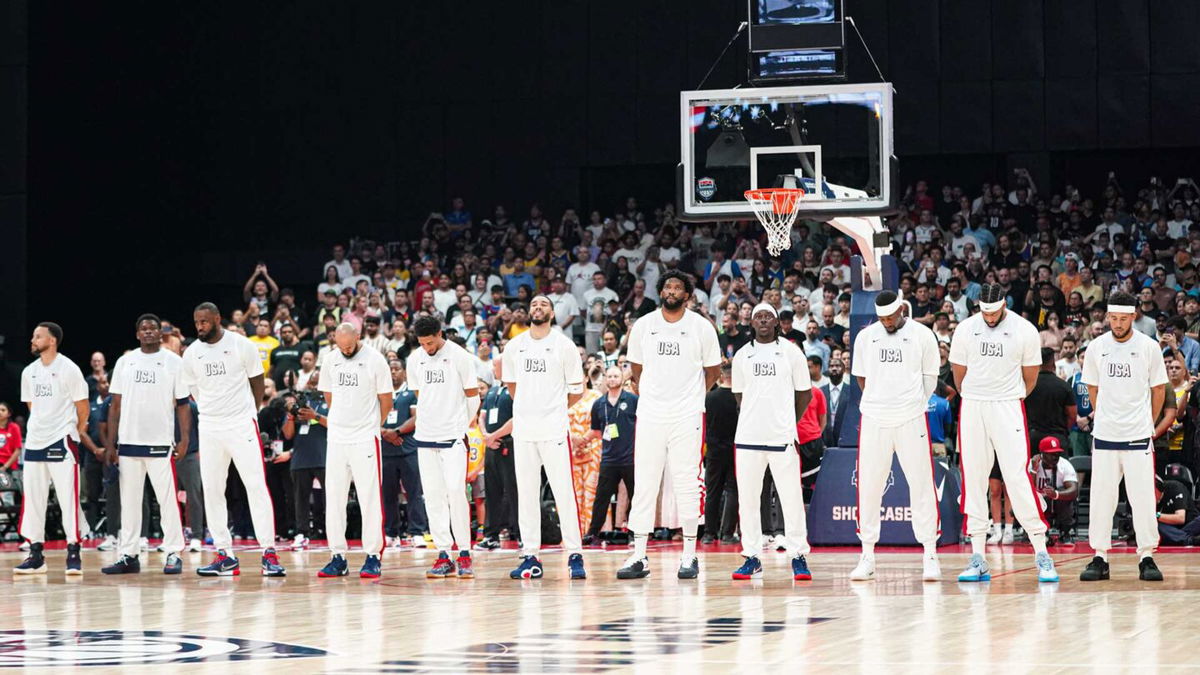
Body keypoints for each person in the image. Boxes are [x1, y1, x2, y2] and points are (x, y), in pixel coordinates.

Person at [950, 283, 1058, 583]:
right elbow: (959, 374)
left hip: (1008, 405)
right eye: (984, 312)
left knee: (1018, 477)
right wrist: (976, 395)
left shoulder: (1024, 329)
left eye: (994, 312)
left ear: (1004, 305)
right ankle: (977, 557)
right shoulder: (965, 329)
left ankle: (1041, 552)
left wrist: (1006, 396)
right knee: (973, 478)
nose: (989, 317)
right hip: (973, 406)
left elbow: (1031, 378)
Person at [617, 271, 721, 581]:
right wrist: (651, 393)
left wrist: (691, 398)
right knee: (645, 483)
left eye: (678, 287)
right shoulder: (644, 326)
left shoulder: (701, 327)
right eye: (667, 286)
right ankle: (638, 555)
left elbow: (713, 371)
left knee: (688, 483)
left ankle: (689, 554)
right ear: (661, 291)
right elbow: (636, 368)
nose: (672, 291)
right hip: (651, 414)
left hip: (687, 414)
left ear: (687, 294)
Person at [180, 303, 285, 577]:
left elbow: (257, 380)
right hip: (211, 426)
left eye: (204, 321)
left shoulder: (241, 345)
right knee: (213, 490)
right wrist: (212, 409)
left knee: (256, 487)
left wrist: (252, 410)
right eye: (196, 322)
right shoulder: (191, 353)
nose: (200, 327)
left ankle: (269, 552)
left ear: (217, 319)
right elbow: (193, 389)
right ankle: (224, 555)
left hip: (241, 424)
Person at [848, 292, 943, 582]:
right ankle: (867, 555)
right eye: (882, 318)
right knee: (869, 486)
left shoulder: (923, 335)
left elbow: (931, 378)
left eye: (891, 317)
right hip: (875, 418)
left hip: (911, 417)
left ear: (902, 309)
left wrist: (911, 403)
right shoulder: (866, 337)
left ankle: (930, 554)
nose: (887, 322)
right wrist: (881, 401)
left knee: (922, 485)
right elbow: (862, 378)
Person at [1079, 291, 1167, 582]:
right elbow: (1092, 387)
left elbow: (1158, 390)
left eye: (1122, 318)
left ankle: (1147, 557)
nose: (1117, 324)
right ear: (1108, 317)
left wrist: (1148, 423)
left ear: (1133, 316)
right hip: (1105, 434)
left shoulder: (1149, 347)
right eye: (1112, 318)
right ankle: (1099, 557)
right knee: (1101, 498)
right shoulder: (1096, 347)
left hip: (1138, 436)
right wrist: (1105, 415)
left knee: (1142, 499)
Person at [501, 294, 587, 580]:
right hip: (524, 431)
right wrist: (529, 410)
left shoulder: (564, 346)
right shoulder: (515, 346)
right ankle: (530, 556)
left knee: (564, 493)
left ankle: (575, 554)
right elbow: (512, 387)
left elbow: (577, 391)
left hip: (553, 430)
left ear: (552, 313)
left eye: (544, 305)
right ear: (528, 311)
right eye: (534, 304)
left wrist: (553, 409)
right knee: (526, 496)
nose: (538, 308)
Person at [100, 314, 191, 575]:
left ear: (161, 334)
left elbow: (183, 404)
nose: (149, 331)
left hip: (161, 443)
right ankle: (129, 555)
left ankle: (173, 551)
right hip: (128, 443)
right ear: (137, 333)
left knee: (167, 501)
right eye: (144, 328)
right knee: (129, 502)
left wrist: (184, 439)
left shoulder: (174, 362)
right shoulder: (124, 362)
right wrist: (111, 444)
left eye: (153, 328)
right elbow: (115, 405)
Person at [729, 304, 814, 581]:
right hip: (748, 438)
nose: (763, 320)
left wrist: (787, 421)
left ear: (777, 322)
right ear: (751, 323)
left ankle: (798, 554)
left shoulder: (791, 352)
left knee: (791, 499)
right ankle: (752, 556)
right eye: (758, 317)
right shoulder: (742, 355)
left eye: (769, 316)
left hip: (782, 438)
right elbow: (739, 396)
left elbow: (804, 394)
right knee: (749, 501)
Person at [315, 323, 393, 579]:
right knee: (334, 498)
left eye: (349, 345)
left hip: (364, 438)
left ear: (358, 337)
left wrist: (372, 426)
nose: (345, 350)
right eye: (341, 345)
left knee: (369, 498)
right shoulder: (329, 360)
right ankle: (338, 556)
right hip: (337, 437)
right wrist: (340, 421)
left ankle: (373, 556)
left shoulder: (375, 360)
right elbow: (329, 396)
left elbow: (386, 399)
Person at [408, 316, 480, 579]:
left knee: (455, 492)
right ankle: (443, 554)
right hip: (425, 436)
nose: (427, 347)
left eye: (430, 342)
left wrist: (462, 425)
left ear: (440, 334)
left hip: (453, 437)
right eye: (422, 343)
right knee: (433, 496)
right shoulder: (415, 359)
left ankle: (464, 552)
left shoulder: (460, 357)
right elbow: (420, 396)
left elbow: (473, 396)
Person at [13, 322, 88, 575]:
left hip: (62, 441)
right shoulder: (29, 372)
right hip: (35, 441)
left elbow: (82, 407)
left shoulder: (69, 369)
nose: (33, 340)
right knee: (33, 500)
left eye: (38, 336)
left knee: (68, 498)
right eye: (33, 336)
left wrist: (72, 431)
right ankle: (35, 553)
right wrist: (43, 426)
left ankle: (73, 551)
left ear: (52, 340)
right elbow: (32, 407)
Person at [584, 366, 638, 543]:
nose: (613, 379)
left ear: (622, 379)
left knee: (635, 496)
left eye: (616, 376)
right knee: (601, 497)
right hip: (609, 458)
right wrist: (582, 440)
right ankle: (593, 532)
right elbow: (597, 430)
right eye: (610, 376)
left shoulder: (632, 400)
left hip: (630, 458)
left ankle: (635, 531)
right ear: (605, 379)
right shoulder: (599, 404)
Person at [380, 359, 427, 548]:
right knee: (388, 494)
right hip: (386, 450)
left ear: (404, 372)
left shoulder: (411, 393)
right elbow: (372, 418)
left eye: (396, 369)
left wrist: (396, 432)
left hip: (408, 449)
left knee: (414, 492)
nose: (393, 372)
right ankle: (392, 533)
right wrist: (386, 433)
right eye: (390, 369)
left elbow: (417, 417)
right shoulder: (382, 394)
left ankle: (417, 532)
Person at [282, 371, 327, 549]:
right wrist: (291, 414)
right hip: (301, 458)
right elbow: (288, 434)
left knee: (329, 498)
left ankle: (332, 530)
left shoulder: (331, 401)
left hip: (324, 456)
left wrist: (314, 416)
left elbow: (335, 425)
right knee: (300, 499)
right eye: (312, 383)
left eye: (318, 383)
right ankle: (302, 533)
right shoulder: (301, 402)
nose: (314, 387)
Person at [475, 359, 517, 550]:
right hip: (491, 446)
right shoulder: (492, 391)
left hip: (509, 443)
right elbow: (481, 416)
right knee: (492, 492)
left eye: (496, 366)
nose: (493, 369)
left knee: (514, 490)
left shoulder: (515, 388)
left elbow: (517, 418)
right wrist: (486, 436)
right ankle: (490, 535)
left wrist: (494, 435)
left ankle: (520, 533)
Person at [700, 364, 737, 544]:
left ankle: (708, 533)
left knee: (713, 492)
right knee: (732, 491)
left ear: (721, 376)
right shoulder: (740, 399)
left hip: (714, 450)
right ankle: (728, 534)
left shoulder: (709, 398)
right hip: (734, 450)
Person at [1025, 347, 1078, 453]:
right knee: (1062, 469)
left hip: (1033, 437)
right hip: (1057, 437)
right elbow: (1072, 416)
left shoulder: (1027, 386)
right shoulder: (1064, 386)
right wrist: (1062, 430)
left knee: (1032, 469)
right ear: (1054, 364)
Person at [1028, 437, 1079, 544]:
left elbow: (1074, 490)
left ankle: (1066, 533)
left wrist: (1056, 494)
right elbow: (1026, 491)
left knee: (1064, 493)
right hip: (1039, 502)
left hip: (1057, 502)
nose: (1055, 456)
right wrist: (1033, 471)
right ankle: (1034, 533)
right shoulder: (1032, 464)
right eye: (1051, 453)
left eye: (1057, 453)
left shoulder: (1064, 464)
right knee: (1030, 499)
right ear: (1042, 454)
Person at [1155, 476, 1200, 545]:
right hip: (1168, 530)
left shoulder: (1175, 487)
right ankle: (1189, 540)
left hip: (1190, 525)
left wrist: (1156, 515)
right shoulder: (1145, 500)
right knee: (1153, 525)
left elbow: (1180, 518)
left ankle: (1180, 538)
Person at [1069, 346, 1094, 457]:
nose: (1085, 360)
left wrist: (1088, 419)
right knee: (1079, 464)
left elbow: (1103, 402)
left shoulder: (1100, 378)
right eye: (1082, 357)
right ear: (1078, 359)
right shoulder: (1073, 379)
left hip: (1095, 426)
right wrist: (1079, 419)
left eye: (1087, 357)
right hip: (1077, 426)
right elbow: (1068, 402)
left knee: (1096, 464)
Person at [0, 401, 23, 473]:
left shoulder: (14, 427)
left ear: (9, 414)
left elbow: (18, 450)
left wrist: (5, 467)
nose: (0, 412)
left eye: (3, 410)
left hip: (9, 466)